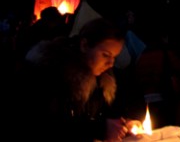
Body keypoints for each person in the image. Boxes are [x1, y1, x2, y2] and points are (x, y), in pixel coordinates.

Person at [12, 16, 142, 141]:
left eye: (114, 57)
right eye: (105, 55)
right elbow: (46, 125)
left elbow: (104, 112)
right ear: (84, 45)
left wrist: (123, 124)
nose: (111, 63)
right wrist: (100, 129)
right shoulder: (49, 73)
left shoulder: (101, 78)